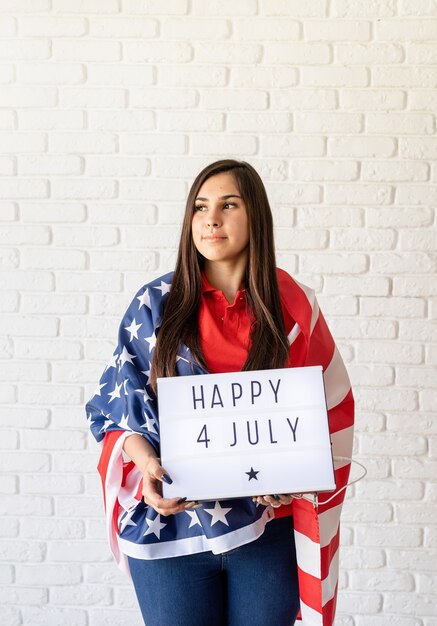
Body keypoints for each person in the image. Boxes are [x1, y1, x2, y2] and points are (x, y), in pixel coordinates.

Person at [86, 159, 354, 626]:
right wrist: (148, 465)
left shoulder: (293, 305)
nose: (211, 219)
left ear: (256, 217)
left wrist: (296, 472)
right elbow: (116, 404)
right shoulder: (155, 304)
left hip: (269, 531)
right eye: (200, 207)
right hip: (171, 531)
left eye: (228, 205)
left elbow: (326, 406)